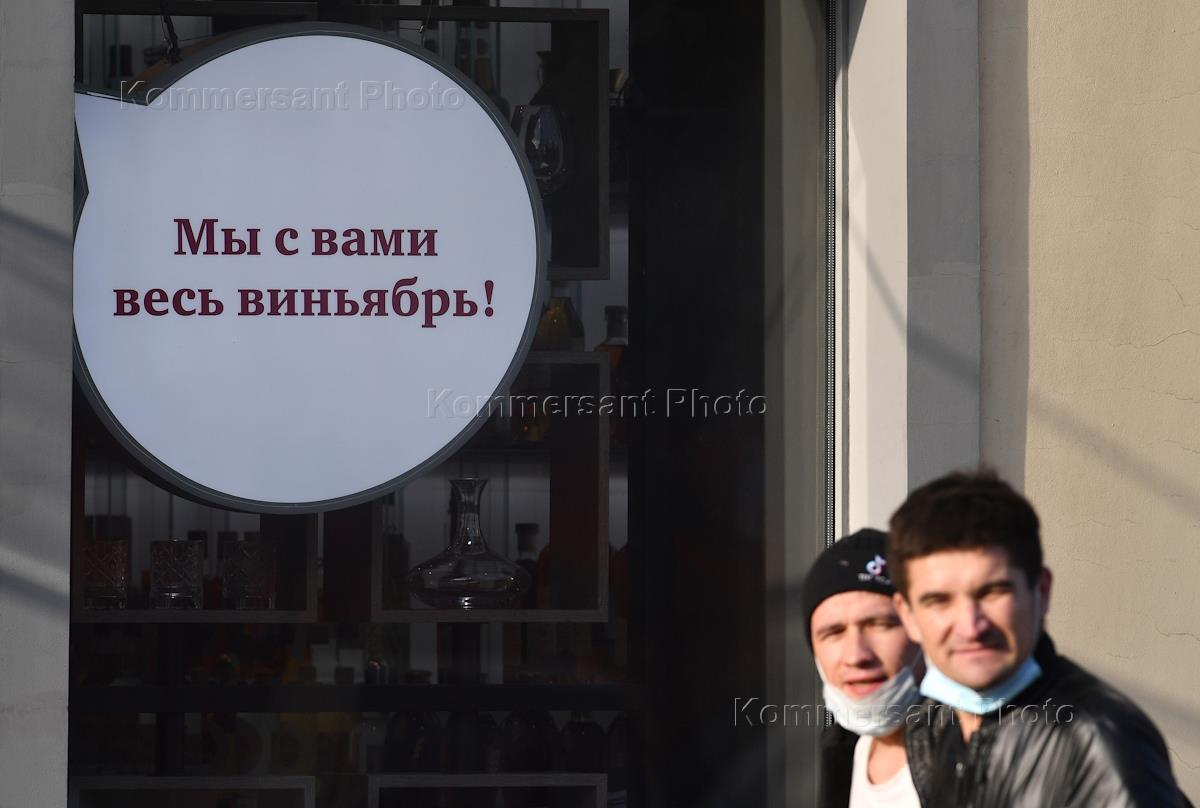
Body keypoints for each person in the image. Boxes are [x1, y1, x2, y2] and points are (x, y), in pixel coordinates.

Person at [888, 469, 1193, 808]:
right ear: (907, 616)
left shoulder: (1100, 741)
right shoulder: (932, 725)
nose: (970, 627)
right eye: (939, 601)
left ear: (1042, 591)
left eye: (993, 592)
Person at [802, 528, 924, 808]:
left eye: (880, 625)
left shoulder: (979, 753)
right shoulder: (842, 751)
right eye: (833, 632)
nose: (856, 655)